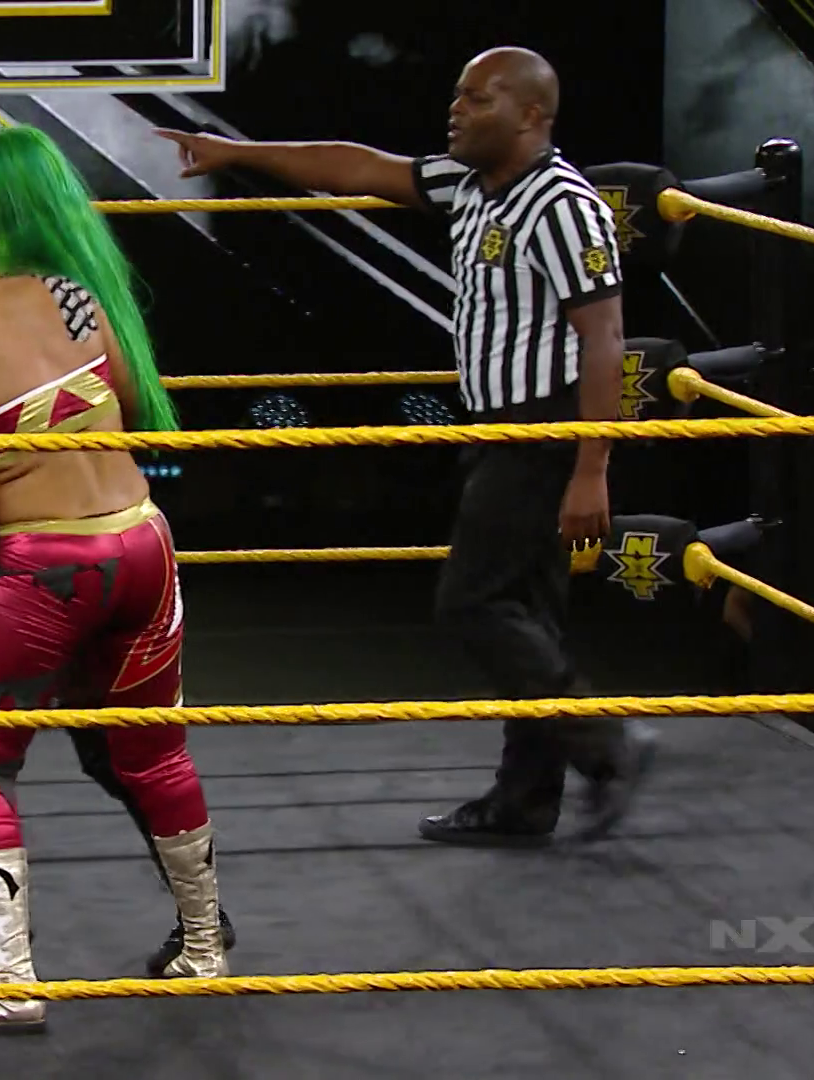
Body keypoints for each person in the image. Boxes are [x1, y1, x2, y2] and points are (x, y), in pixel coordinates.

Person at [155, 46, 656, 846]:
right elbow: (352, 165)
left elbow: (605, 339)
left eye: (479, 98)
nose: (456, 110)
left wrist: (592, 467)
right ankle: (526, 801)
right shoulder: (469, 185)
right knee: (528, 615)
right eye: (457, 95)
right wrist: (237, 151)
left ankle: (607, 743)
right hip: (497, 425)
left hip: (544, 429)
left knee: (474, 602)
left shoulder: (563, 204)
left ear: (531, 115)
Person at [0, 168, 227, 1037]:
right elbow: (125, 401)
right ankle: (205, 948)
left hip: (46, 561)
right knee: (154, 753)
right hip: (143, 538)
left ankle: (10, 980)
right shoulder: (70, 294)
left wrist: (23, 581)